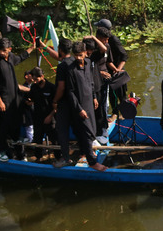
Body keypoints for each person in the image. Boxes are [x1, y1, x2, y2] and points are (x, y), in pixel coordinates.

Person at [0, 38, 34, 161]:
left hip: (14, 97)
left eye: (4, 51)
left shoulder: (11, 57)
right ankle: (1, 150)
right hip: (3, 99)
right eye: (0, 51)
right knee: (5, 125)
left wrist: (32, 48)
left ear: (9, 49)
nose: (2, 53)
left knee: (15, 120)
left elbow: (20, 58)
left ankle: (16, 143)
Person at [65, 41, 106, 171]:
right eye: (76, 55)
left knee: (92, 130)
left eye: (81, 55)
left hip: (89, 102)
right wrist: (79, 109)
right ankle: (92, 162)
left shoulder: (88, 64)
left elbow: (91, 82)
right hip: (80, 105)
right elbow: (70, 92)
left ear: (85, 53)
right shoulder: (71, 69)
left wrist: (94, 97)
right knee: (87, 132)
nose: (78, 58)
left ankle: (86, 151)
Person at [95, 20, 129, 118]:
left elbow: (124, 56)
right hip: (108, 69)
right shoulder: (100, 41)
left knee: (121, 93)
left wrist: (117, 70)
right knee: (111, 94)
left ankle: (124, 113)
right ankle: (115, 113)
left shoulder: (113, 40)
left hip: (116, 69)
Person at [26, 67, 58, 162]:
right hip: (38, 118)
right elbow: (31, 98)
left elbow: (57, 105)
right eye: (33, 80)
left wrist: (50, 116)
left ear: (42, 76)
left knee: (54, 139)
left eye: (36, 79)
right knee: (37, 139)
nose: (35, 82)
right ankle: (38, 157)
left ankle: (58, 157)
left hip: (50, 118)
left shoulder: (51, 87)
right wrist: (29, 101)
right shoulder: (34, 87)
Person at [51, 38, 75, 168]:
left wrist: (55, 100)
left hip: (64, 103)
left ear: (60, 49)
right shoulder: (74, 62)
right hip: (75, 102)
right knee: (78, 128)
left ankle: (65, 158)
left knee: (62, 131)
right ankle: (84, 154)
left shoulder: (62, 66)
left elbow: (61, 87)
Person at [83, 35, 110, 143]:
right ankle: (95, 134)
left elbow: (104, 49)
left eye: (90, 52)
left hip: (97, 86)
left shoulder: (94, 56)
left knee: (100, 110)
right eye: (87, 52)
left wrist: (94, 37)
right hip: (89, 89)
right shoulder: (82, 60)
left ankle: (100, 131)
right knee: (92, 113)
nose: (88, 54)